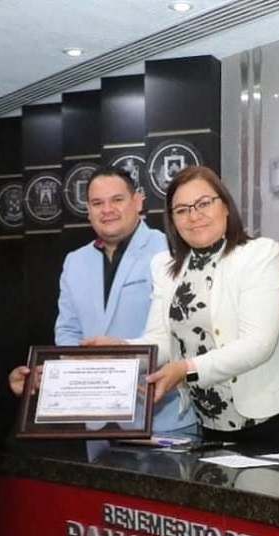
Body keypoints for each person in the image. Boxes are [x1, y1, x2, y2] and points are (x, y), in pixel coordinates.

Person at [131, 165, 279, 451]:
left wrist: (186, 369)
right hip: (209, 422)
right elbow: (160, 341)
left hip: (269, 419)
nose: (194, 216)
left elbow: (259, 343)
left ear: (225, 206)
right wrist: (117, 351)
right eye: (182, 210)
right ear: (172, 220)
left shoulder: (259, 254)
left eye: (204, 203)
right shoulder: (164, 266)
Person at [53, 165, 195, 433]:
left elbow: (184, 333)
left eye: (117, 199)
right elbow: (68, 332)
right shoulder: (74, 262)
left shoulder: (168, 250)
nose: (107, 210)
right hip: (97, 417)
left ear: (137, 201)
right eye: (97, 203)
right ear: (88, 210)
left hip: (162, 416)